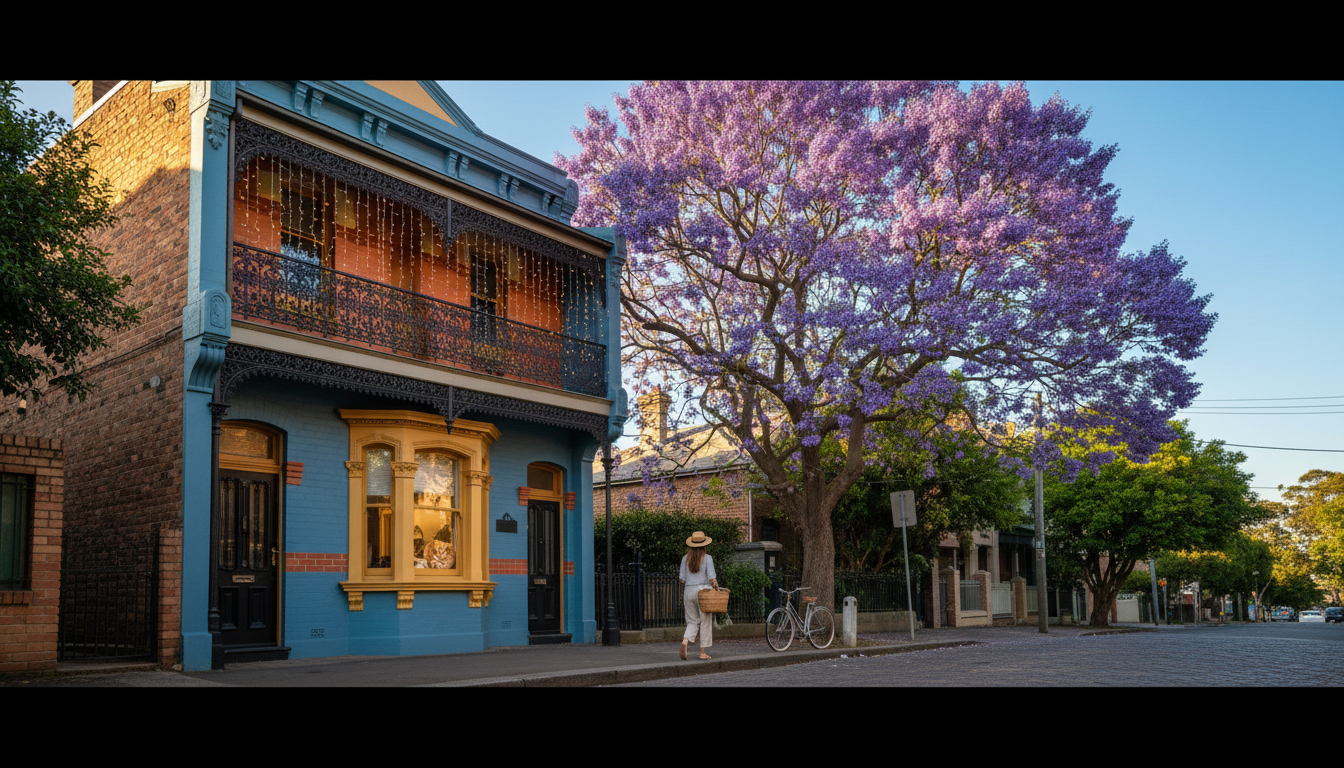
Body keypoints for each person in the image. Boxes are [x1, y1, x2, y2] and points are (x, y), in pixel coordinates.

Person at [679, 530, 718, 660]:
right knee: (705, 622)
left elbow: (682, 579)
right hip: (703, 592)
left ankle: (685, 640)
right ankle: (703, 652)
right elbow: (712, 579)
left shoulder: (685, 558)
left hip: (688, 591)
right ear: (704, 545)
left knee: (692, 621)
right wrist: (716, 588)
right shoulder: (707, 558)